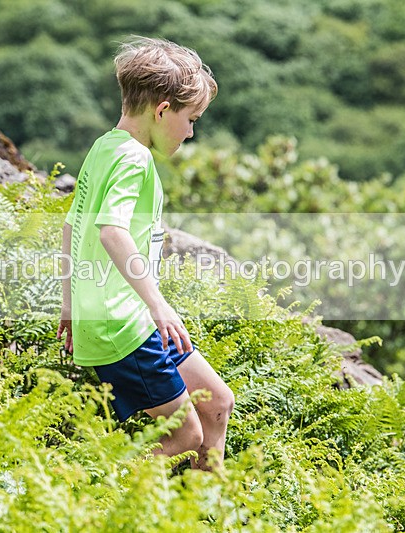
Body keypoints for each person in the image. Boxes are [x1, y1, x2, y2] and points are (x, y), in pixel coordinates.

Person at [57, 36, 234, 471]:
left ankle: (202, 512)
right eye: (190, 119)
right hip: (124, 325)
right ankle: (91, 485)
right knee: (186, 436)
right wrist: (160, 305)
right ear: (161, 110)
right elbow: (110, 232)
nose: (190, 132)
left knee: (217, 404)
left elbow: (69, 227)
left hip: (125, 318)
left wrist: (69, 305)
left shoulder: (105, 146)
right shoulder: (134, 159)